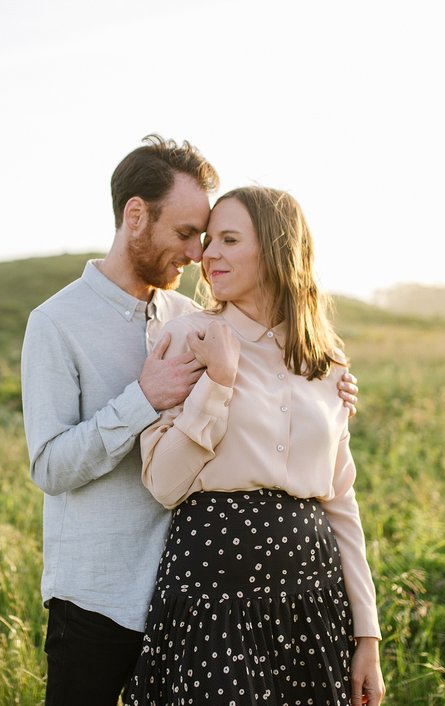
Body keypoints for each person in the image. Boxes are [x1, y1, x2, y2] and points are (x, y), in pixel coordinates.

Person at [20, 137, 360, 706]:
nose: (198, 254)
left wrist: (330, 387)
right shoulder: (56, 323)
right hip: (97, 599)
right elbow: (50, 466)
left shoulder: (191, 317)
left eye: (205, 238)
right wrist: (141, 399)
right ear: (135, 216)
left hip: (190, 597)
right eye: (185, 235)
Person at [125, 186, 385, 705]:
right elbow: (164, 483)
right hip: (214, 589)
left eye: (228, 239)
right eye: (207, 239)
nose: (207, 254)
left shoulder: (326, 358)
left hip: (311, 594)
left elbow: (342, 500)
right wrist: (219, 384)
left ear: (276, 248)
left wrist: (367, 635)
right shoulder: (189, 336)